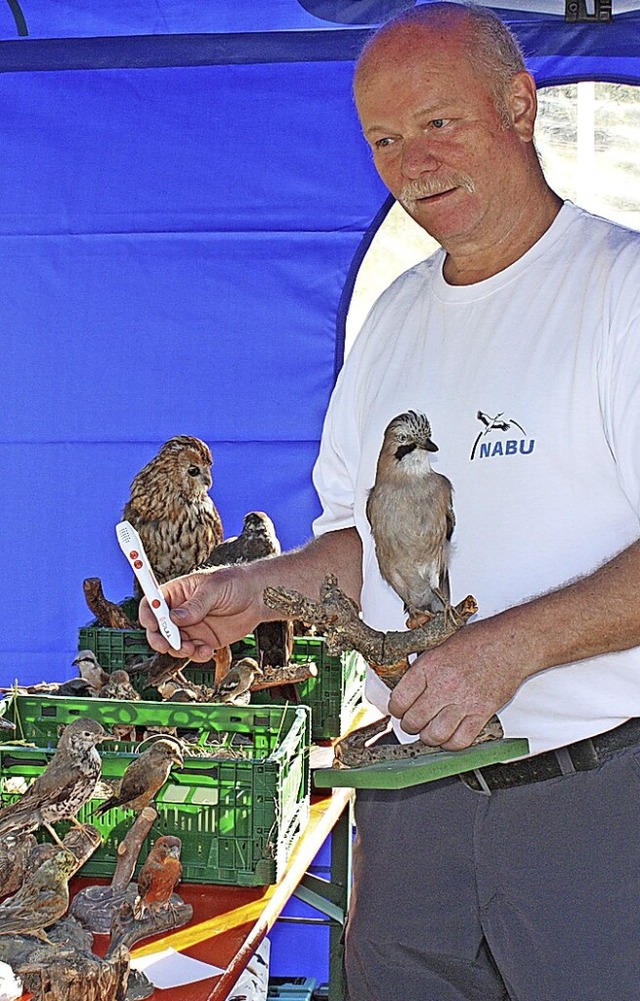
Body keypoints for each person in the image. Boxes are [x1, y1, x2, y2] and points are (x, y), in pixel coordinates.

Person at [140, 5, 640, 998]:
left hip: (595, 802)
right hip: (407, 808)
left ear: (517, 105)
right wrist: (253, 588)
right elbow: (361, 544)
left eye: (438, 123)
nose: (411, 163)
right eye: (382, 138)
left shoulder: (619, 291)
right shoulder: (395, 317)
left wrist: (507, 648)